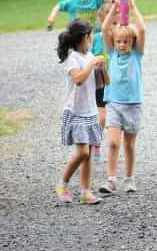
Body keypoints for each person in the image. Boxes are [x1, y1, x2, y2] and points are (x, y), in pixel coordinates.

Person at [55, 18, 109, 204]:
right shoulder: (73, 58)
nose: (92, 38)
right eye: (91, 35)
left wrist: (102, 69)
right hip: (76, 111)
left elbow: (104, 83)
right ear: (85, 37)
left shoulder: (89, 56)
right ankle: (62, 184)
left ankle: (86, 192)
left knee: (87, 154)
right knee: (84, 153)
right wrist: (91, 65)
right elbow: (78, 79)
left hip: (90, 111)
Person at [98, 0, 145, 194]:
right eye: (119, 41)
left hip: (133, 104)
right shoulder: (112, 53)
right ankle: (111, 179)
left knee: (130, 145)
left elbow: (141, 29)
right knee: (114, 142)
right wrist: (115, 6)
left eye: (126, 41)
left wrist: (133, 7)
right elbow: (104, 29)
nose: (122, 44)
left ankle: (129, 178)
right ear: (114, 42)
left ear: (132, 43)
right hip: (114, 103)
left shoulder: (137, 54)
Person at [91, 3, 111, 162]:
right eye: (108, 13)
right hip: (99, 80)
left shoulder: (121, 36)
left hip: (116, 81)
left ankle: (96, 139)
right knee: (101, 115)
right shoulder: (96, 38)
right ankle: (95, 141)